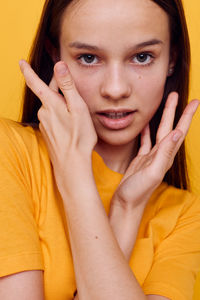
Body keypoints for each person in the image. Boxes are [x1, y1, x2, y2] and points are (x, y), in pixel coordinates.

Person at [0, 0, 200, 299]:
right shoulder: (8, 151)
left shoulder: (185, 216)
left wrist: (126, 208)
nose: (116, 89)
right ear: (56, 55)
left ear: (172, 59)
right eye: (89, 58)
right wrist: (76, 175)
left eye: (142, 57)